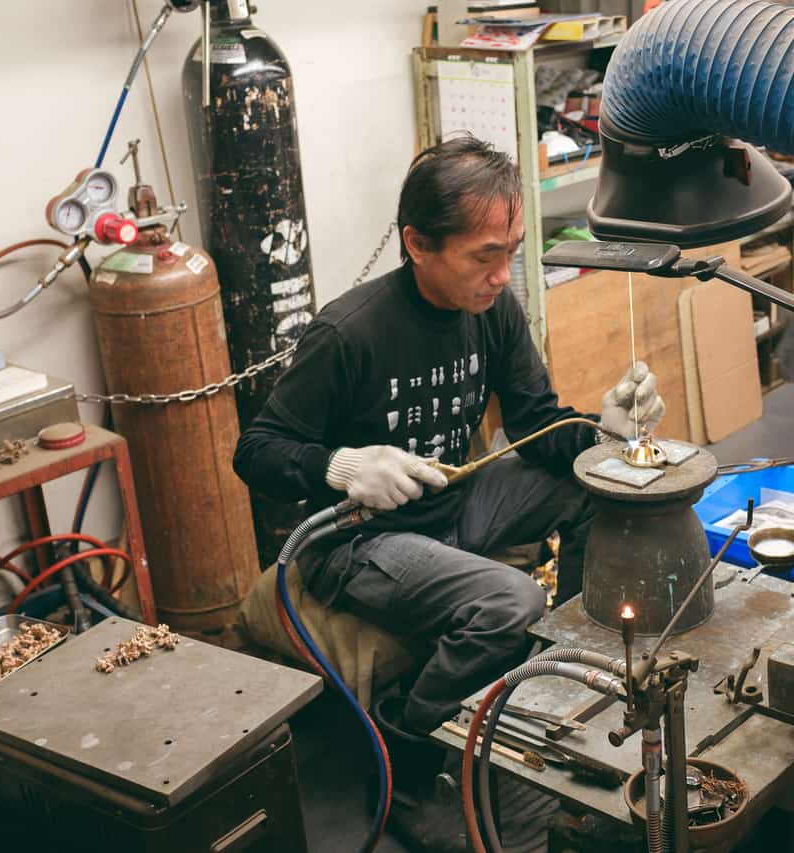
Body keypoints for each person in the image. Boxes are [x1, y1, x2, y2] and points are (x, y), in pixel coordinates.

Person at [232, 135, 663, 839]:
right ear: (418, 244)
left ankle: (561, 680)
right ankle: (406, 739)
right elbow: (256, 450)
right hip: (359, 540)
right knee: (511, 599)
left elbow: (534, 422)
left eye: (513, 250)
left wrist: (599, 431)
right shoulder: (349, 332)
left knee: (597, 484)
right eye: (484, 256)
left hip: (455, 507)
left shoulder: (492, 310)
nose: (502, 274)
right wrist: (342, 467)